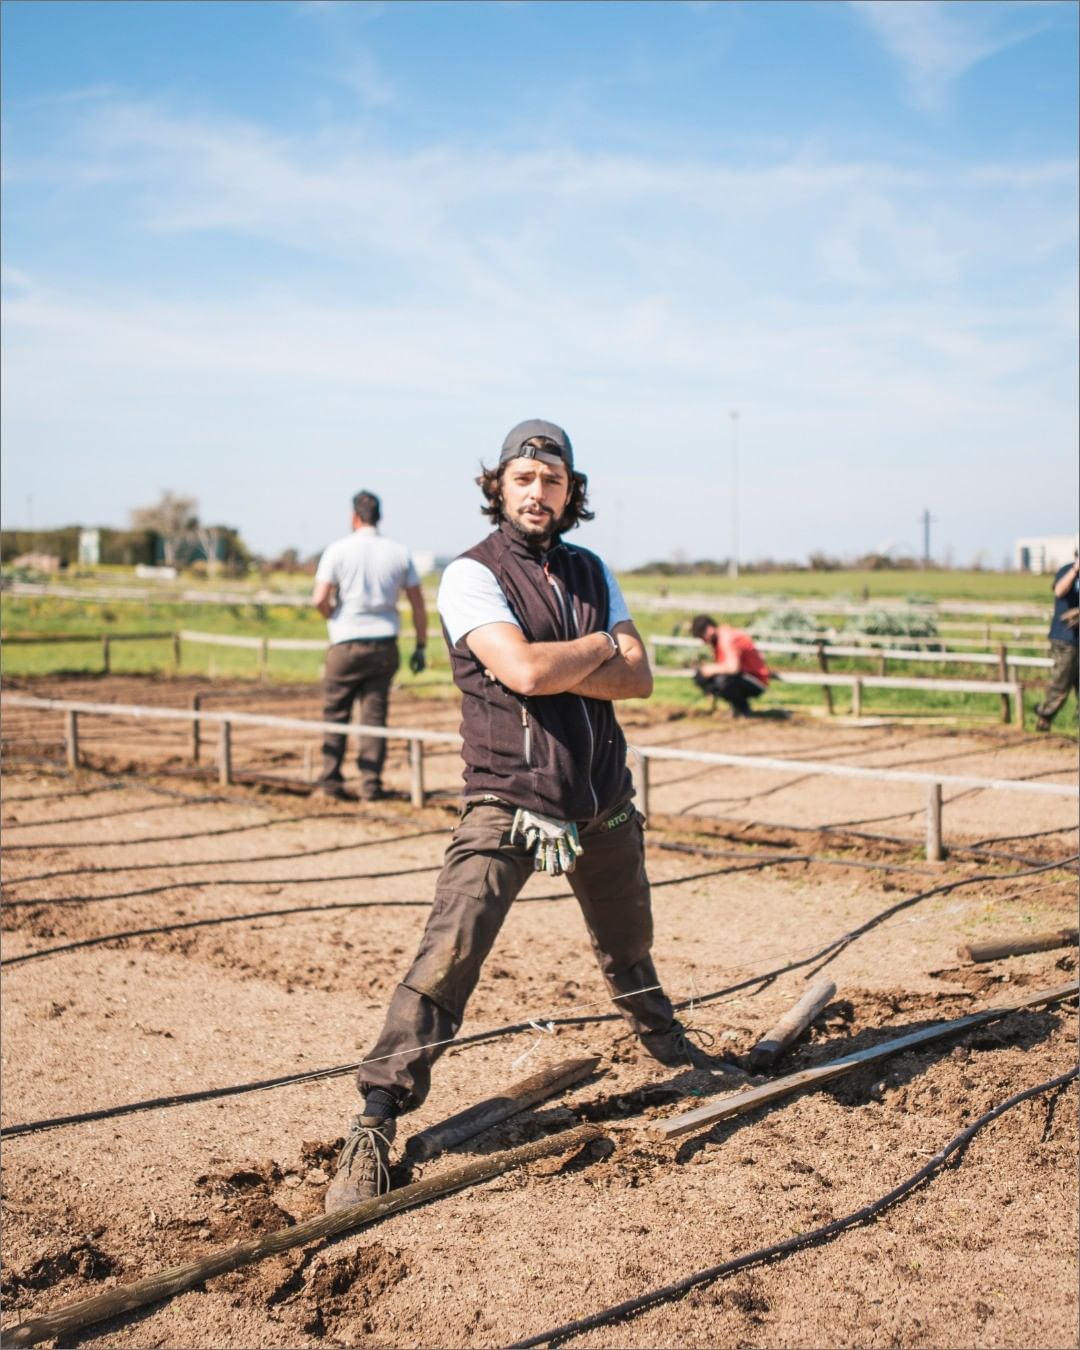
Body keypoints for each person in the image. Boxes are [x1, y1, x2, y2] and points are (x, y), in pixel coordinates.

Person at [324, 419, 733, 1211]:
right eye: (522, 479)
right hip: (508, 797)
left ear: (571, 491)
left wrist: (573, 662)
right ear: (499, 489)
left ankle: (665, 1040)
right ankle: (374, 1119)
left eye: (552, 481)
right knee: (450, 951)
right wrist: (598, 651)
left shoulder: (592, 568)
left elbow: (640, 679)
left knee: (629, 939)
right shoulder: (469, 576)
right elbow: (520, 668)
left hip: (601, 797)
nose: (537, 493)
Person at [312, 490, 428, 802]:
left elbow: (319, 598)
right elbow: (418, 604)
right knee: (374, 716)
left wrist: (332, 615)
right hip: (384, 643)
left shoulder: (337, 550)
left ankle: (330, 782)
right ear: (379, 517)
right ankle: (370, 785)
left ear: (354, 517)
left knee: (336, 713)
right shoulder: (399, 552)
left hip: (345, 642)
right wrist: (420, 645)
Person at [689, 614, 770, 716]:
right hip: (742, 676)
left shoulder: (727, 638)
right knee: (701, 676)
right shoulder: (719, 638)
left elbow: (733, 668)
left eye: (702, 637)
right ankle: (725, 707)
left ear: (709, 629)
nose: (704, 642)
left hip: (756, 680)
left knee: (722, 680)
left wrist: (711, 669)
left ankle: (743, 709)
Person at [1034, 548, 1079, 732]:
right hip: (1065, 640)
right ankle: (1044, 717)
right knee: (1061, 682)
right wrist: (1076, 570)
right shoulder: (1066, 571)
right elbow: (1060, 591)